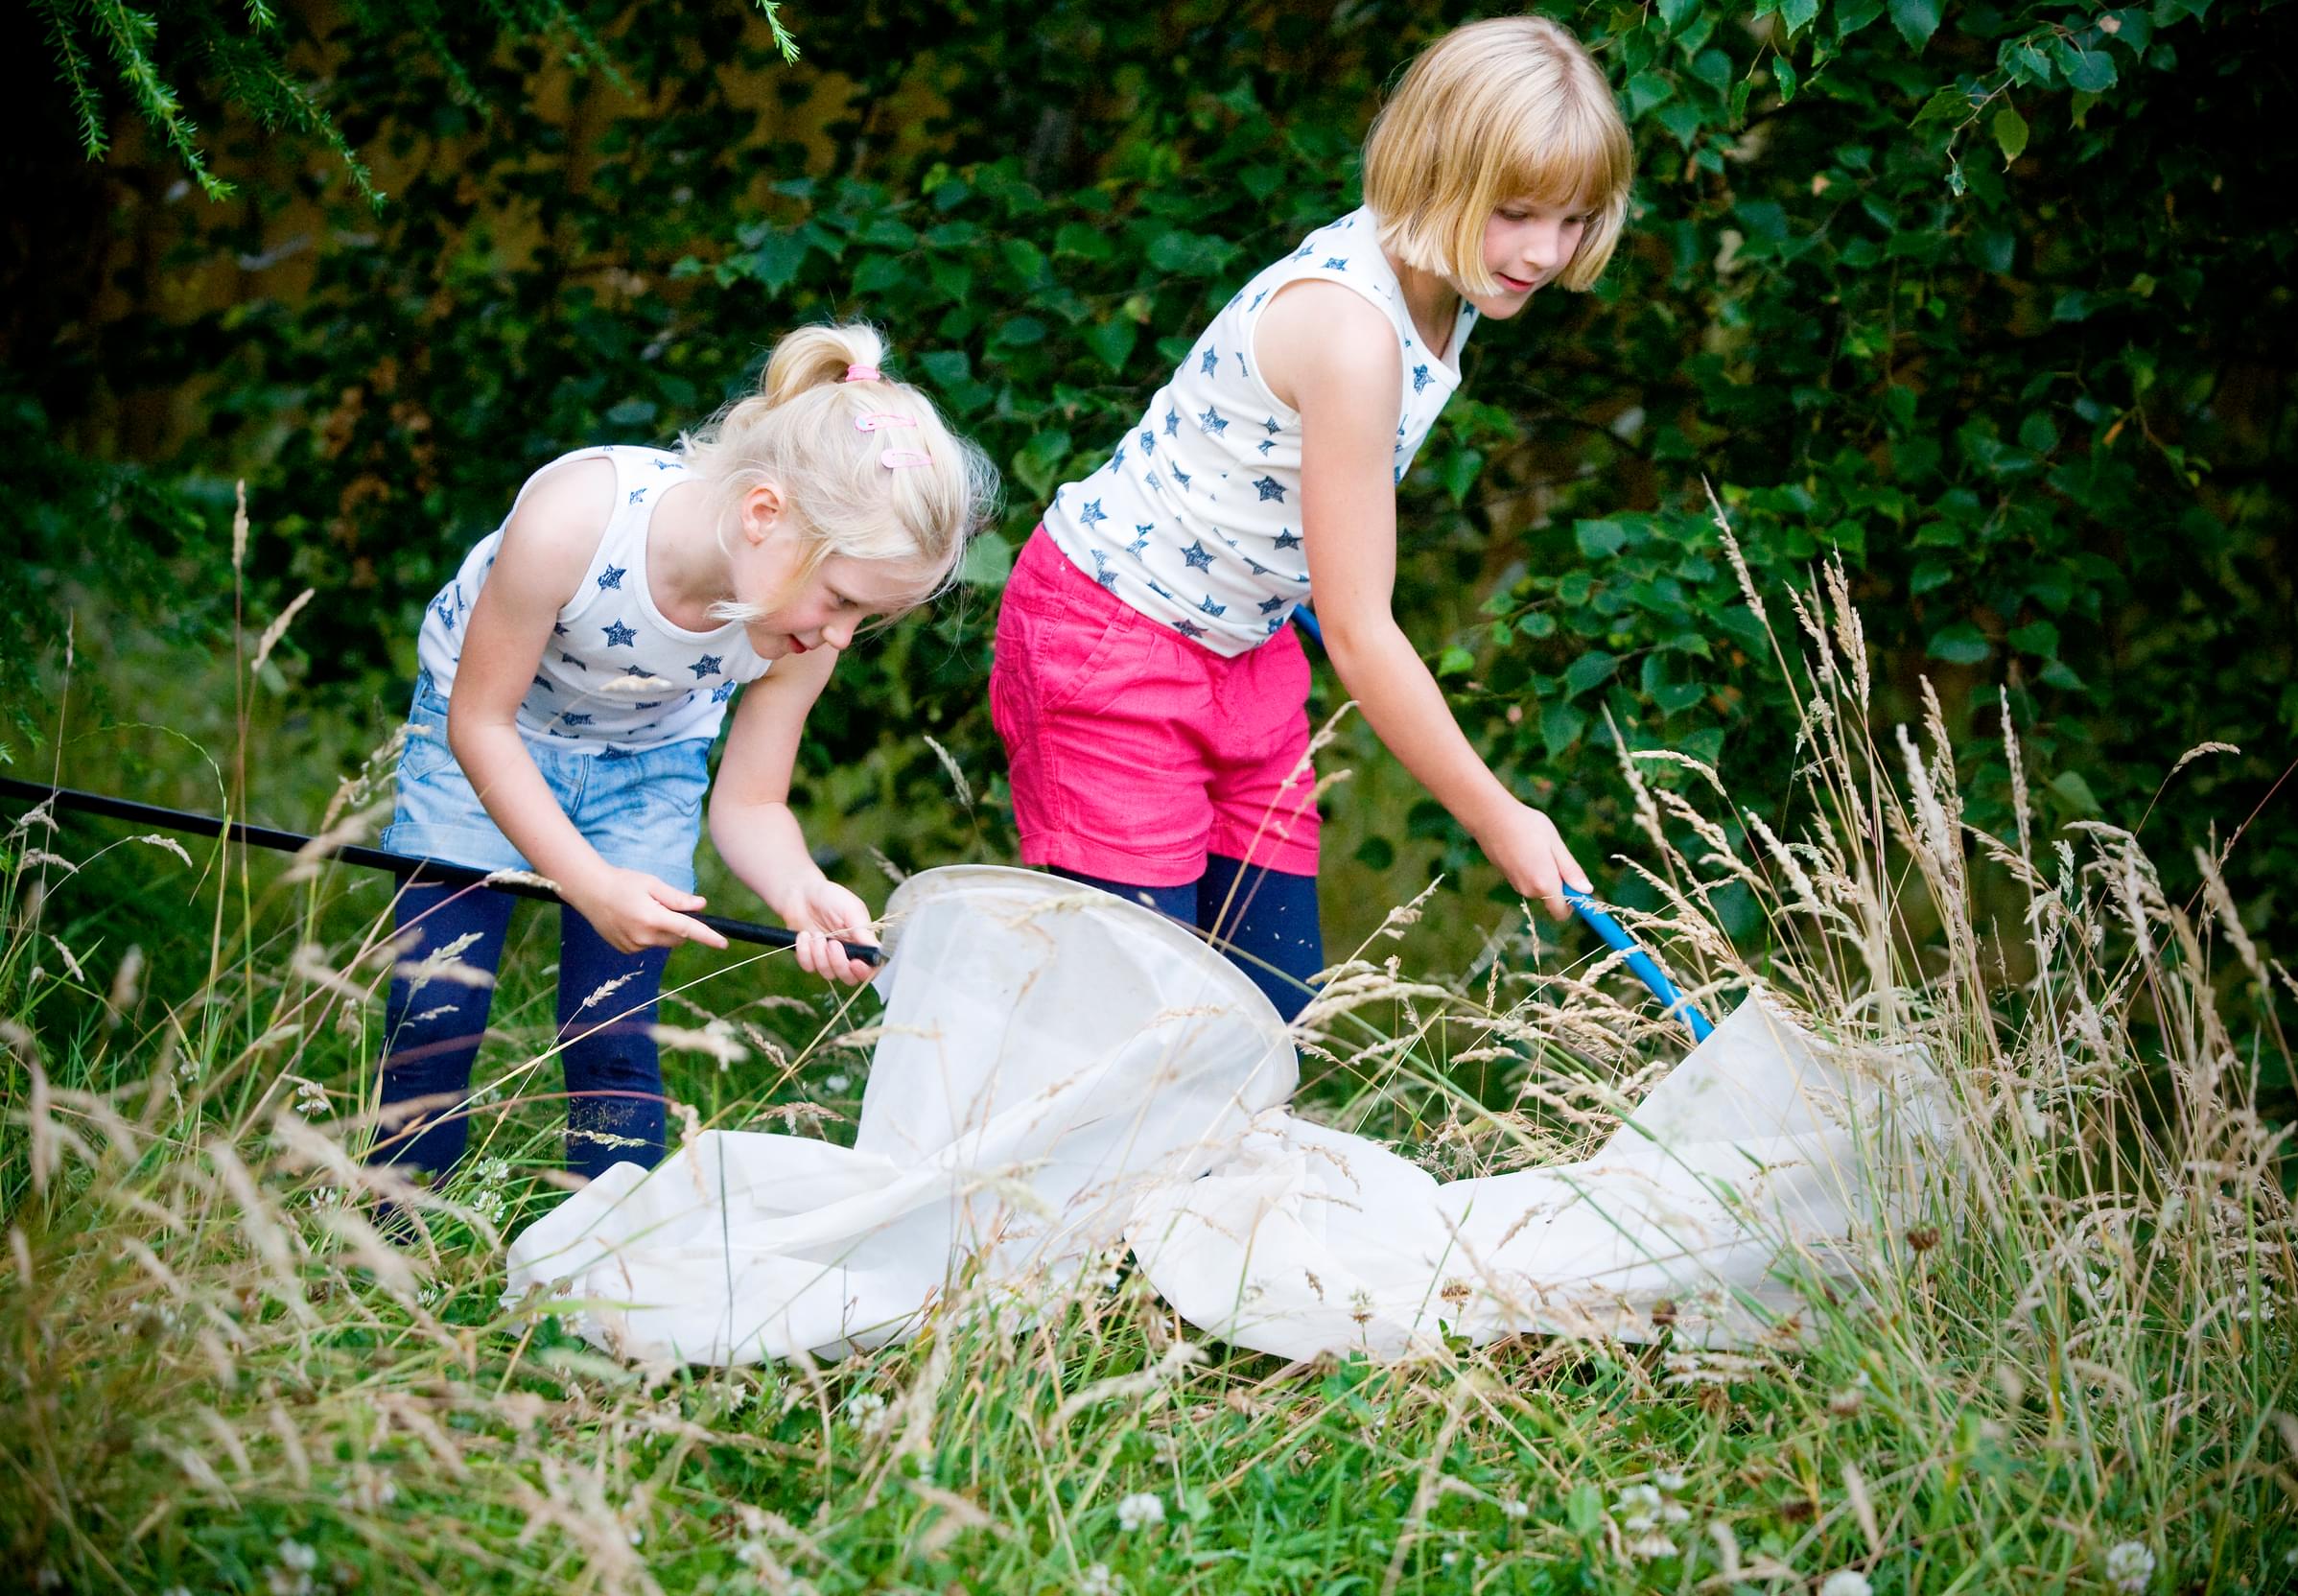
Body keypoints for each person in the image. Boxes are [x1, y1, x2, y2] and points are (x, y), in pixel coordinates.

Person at [989, 15, 1635, 1021]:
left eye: (1574, 220)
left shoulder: (1453, 281)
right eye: (1516, 213)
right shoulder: (1351, 334)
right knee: (1126, 1026)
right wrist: (1498, 815)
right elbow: (1362, 631)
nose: (1544, 253)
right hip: (1111, 644)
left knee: (1267, 1013)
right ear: (1435, 171)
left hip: (1241, 653)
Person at [371, 323, 997, 1185]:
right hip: (484, 739)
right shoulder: (575, 520)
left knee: (616, 1030)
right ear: (764, 514)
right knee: (436, 1004)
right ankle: (391, 1232)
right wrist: (587, 883)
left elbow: (749, 803)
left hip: (646, 763)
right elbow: (480, 724)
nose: (842, 638)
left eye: (868, 619)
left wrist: (800, 890)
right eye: (844, 600)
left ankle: (612, 1252)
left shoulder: (800, 631)